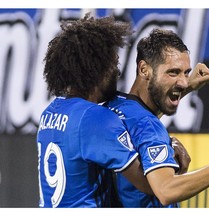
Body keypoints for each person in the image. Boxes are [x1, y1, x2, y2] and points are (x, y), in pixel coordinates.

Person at [105, 28, 209, 207]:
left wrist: (187, 88)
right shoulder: (149, 127)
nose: (184, 81)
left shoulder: (116, 106)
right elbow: (166, 190)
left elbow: (140, 118)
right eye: (173, 72)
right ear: (144, 69)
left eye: (186, 72)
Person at [36, 13, 156, 208]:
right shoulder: (95, 118)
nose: (117, 72)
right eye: (113, 64)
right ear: (95, 69)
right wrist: (171, 158)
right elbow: (150, 184)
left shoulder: (49, 112)